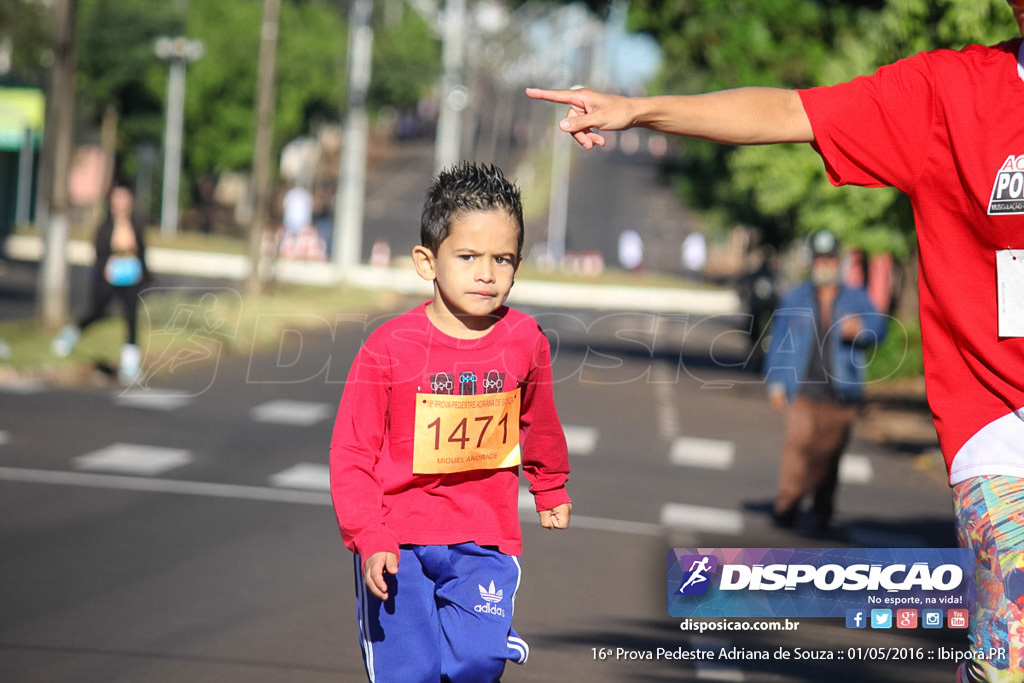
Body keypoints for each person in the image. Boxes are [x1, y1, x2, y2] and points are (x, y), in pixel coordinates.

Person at [527, 3, 1024, 680]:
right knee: (1013, 647)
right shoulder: (950, 93)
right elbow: (790, 112)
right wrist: (637, 109)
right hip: (996, 420)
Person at [329, 162, 572, 682]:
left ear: (518, 264)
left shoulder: (525, 340)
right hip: (398, 541)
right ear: (427, 261)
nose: (486, 273)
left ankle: (488, 636)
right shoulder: (388, 347)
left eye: (502, 259)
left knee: (478, 662)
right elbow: (352, 453)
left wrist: (549, 485)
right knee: (409, 673)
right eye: (467, 256)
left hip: (485, 537)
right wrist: (369, 536)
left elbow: (539, 422)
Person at [763, 229, 887, 537]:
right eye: (819, 258)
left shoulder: (856, 298)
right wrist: (776, 382)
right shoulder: (795, 296)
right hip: (802, 389)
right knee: (798, 442)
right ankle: (788, 503)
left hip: (841, 393)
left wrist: (861, 329)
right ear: (812, 261)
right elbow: (779, 341)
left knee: (828, 457)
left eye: (830, 258)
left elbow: (879, 329)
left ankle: (821, 509)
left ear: (838, 259)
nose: (825, 264)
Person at [51, 183, 150, 385]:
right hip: (110, 277)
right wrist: (105, 267)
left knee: (131, 318)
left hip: (131, 276)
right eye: (117, 199)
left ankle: (130, 365)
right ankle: (73, 332)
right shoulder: (105, 226)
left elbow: (143, 252)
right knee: (98, 312)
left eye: (124, 198)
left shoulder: (137, 223)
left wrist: (146, 275)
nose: (121, 203)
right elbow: (98, 253)